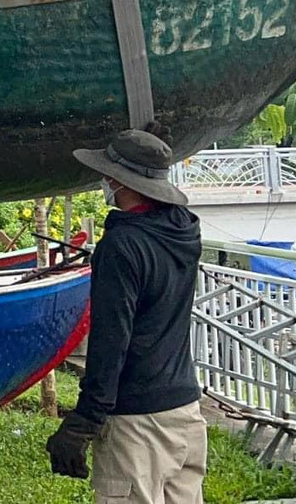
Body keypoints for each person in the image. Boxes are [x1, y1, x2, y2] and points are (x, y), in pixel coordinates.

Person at [46, 130, 205, 504]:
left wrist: (84, 421)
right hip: (185, 411)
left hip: (138, 425)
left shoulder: (122, 246)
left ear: (116, 180)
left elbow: (110, 341)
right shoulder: (185, 230)